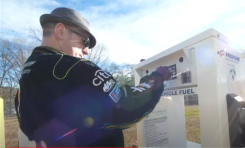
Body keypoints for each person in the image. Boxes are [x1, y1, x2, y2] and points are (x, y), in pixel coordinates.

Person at [15, 7, 172, 147]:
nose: (86, 51)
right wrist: (157, 77)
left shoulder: (27, 73)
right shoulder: (75, 68)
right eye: (84, 42)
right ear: (60, 31)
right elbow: (127, 105)